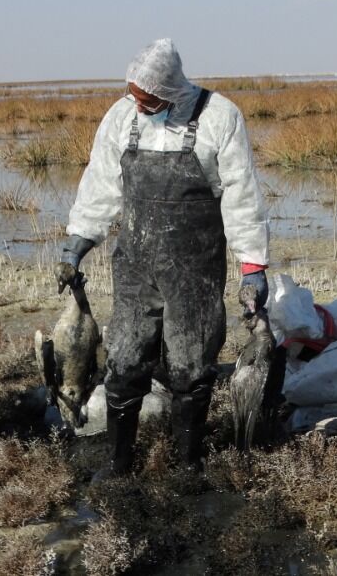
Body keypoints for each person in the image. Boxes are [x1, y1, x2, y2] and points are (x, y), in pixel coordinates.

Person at [59, 39, 270, 475]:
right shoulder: (122, 117)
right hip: (135, 268)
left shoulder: (219, 117)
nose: (137, 104)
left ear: (170, 91)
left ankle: (187, 466)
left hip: (194, 270)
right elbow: (100, 183)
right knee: (123, 361)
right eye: (132, 93)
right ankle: (120, 465)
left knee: (191, 367)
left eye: (146, 98)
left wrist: (253, 267)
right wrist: (77, 243)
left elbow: (242, 197)